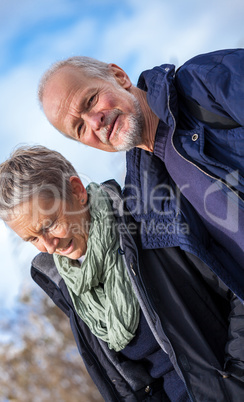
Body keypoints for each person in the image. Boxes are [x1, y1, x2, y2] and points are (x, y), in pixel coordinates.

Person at [0, 145, 244, 401]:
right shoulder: (70, 288)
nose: (48, 246)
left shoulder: (149, 218)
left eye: (50, 224)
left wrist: (236, 379)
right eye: (32, 238)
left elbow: (237, 286)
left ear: (77, 191)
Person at [38, 49, 244, 304]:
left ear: (118, 76)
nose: (95, 122)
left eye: (90, 100)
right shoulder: (147, 205)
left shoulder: (205, 81)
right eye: (80, 128)